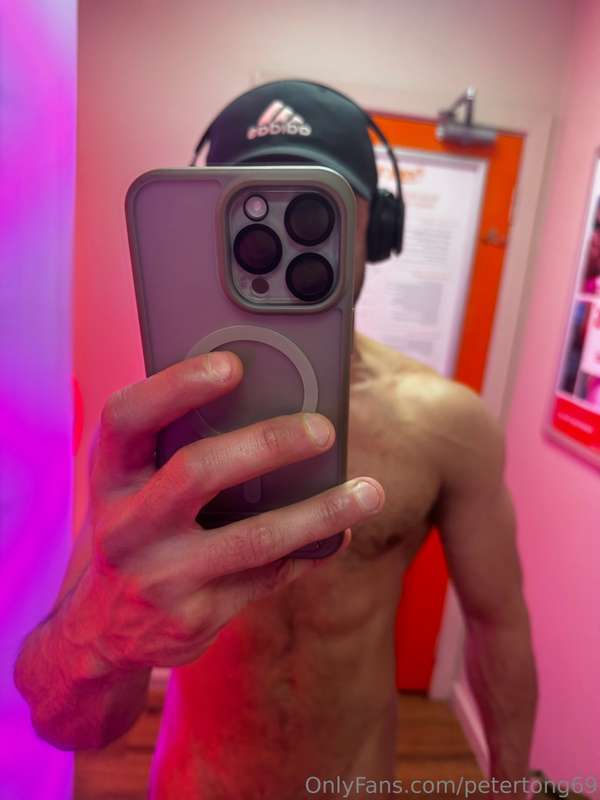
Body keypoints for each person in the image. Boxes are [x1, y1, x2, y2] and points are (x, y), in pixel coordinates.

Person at [14, 81, 537, 799]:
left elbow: (497, 625)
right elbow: (66, 724)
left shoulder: (448, 423)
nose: (275, 235)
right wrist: (98, 636)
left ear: (376, 231)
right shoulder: (158, 428)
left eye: (315, 205)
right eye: (250, 201)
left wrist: (512, 785)